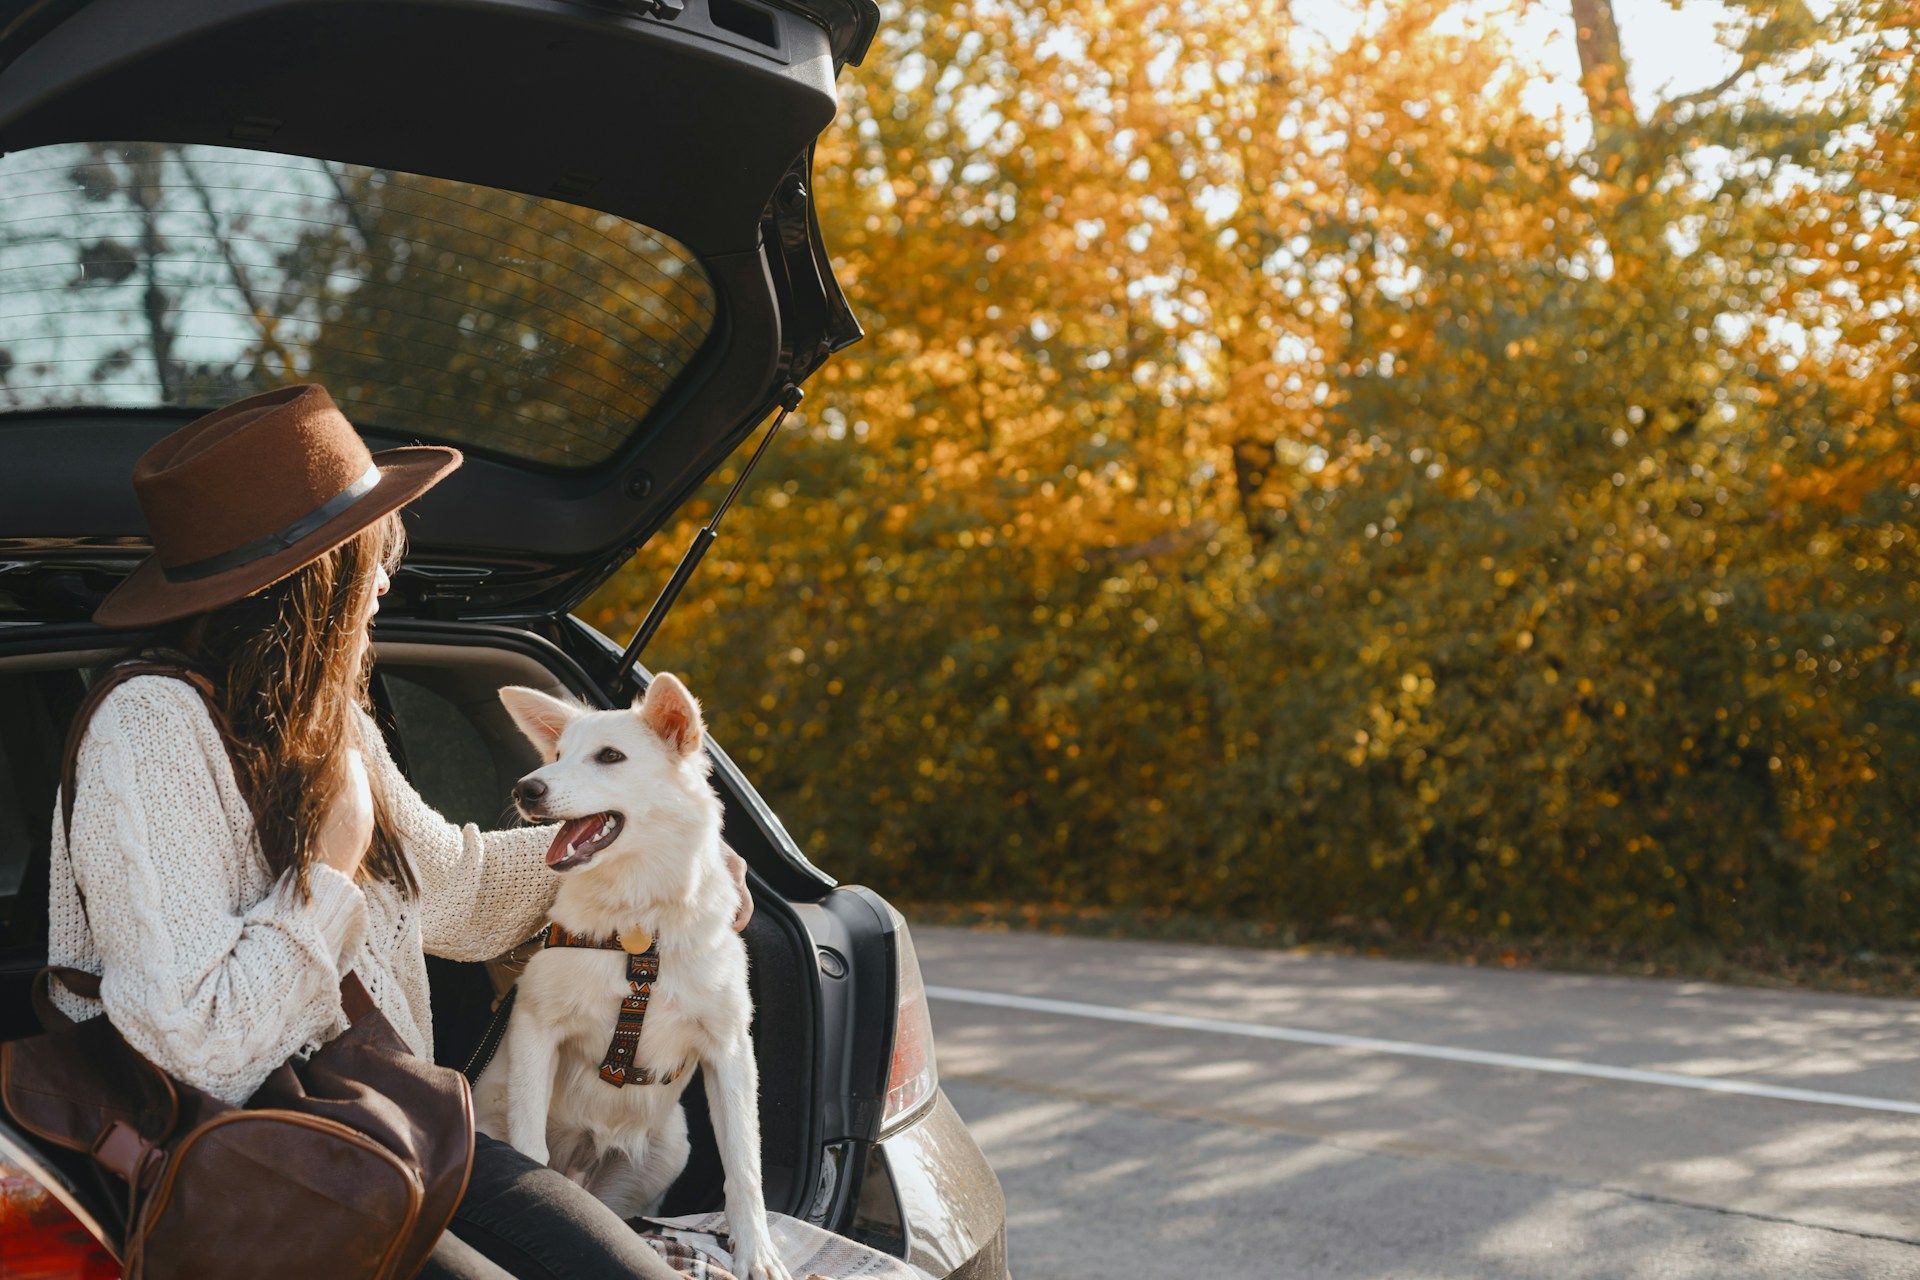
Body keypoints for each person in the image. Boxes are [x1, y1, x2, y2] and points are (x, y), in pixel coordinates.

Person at [50, 384, 752, 1280]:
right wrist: (330, 876)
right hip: (246, 1154)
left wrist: (645, 853)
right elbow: (195, 1050)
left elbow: (452, 889)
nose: (386, 579)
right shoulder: (147, 730)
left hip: (386, 1118)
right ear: (316, 577)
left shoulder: (330, 722)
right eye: (373, 558)